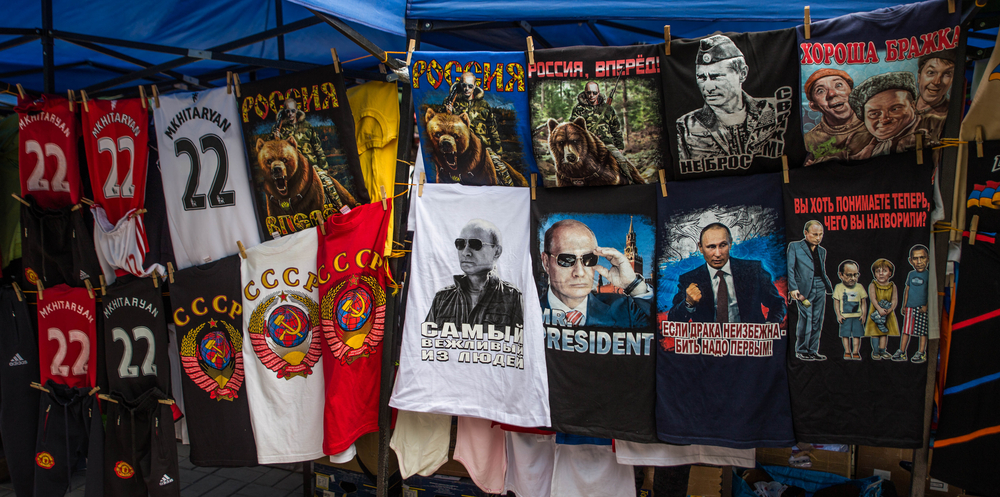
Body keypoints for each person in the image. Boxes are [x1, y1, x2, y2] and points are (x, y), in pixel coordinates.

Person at [675, 34, 779, 161]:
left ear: (742, 73)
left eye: (716, 77)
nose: (708, 87)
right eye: (701, 77)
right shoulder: (685, 126)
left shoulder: (773, 111)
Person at [667, 222, 786, 325]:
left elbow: (778, 304)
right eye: (711, 247)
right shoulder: (689, 278)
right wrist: (688, 303)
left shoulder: (754, 270)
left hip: (748, 345)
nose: (717, 253)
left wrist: (769, 327)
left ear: (730, 244)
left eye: (722, 245)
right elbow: (673, 320)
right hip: (708, 347)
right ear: (701, 247)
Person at [539, 219, 650, 328]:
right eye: (566, 260)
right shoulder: (528, 309)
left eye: (589, 259)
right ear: (546, 263)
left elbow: (659, 332)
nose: (579, 272)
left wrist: (633, 284)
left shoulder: (624, 309)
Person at [424, 219, 523, 328]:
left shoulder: (512, 297)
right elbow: (427, 340)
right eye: (460, 244)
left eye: (475, 244)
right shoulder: (442, 298)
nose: (466, 252)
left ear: (497, 251)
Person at [847, 71, 945, 159]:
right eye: (874, 114)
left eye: (895, 109)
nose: (885, 119)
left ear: (913, 106)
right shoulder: (857, 141)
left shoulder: (938, 125)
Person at [272, 97, 348, 209]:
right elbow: (273, 151)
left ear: (297, 111)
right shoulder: (278, 129)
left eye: (292, 111)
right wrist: (276, 139)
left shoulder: (307, 126)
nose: (290, 114)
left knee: (327, 182)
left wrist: (324, 166)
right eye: (287, 111)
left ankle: (341, 208)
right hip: (292, 167)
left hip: (311, 164)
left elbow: (317, 147)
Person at [445, 72, 518, 186]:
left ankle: (510, 191)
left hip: (482, 146)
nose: (466, 89)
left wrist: (498, 151)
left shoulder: (484, 105)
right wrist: (448, 112)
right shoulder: (451, 103)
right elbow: (443, 124)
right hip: (460, 145)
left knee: (501, 169)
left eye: (470, 86)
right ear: (460, 85)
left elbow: (492, 129)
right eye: (464, 85)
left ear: (475, 86)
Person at [801, 68, 873, 164]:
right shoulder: (810, 140)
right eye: (820, 91)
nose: (832, 93)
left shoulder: (876, 125)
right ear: (814, 106)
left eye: (839, 85)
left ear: (853, 92)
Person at [787, 220, 834, 361]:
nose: (818, 237)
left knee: (817, 319)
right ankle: (802, 349)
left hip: (820, 286)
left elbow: (821, 270)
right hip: (803, 290)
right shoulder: (795, 247)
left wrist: (827, 286)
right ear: (806, 233)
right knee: (807, 317)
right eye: (815, 234)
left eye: (820, 234)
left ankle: (812, 350)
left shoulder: (822, 251)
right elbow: (790, 268)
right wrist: (793, 288)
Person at [894, 245, 929, 363]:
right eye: (915, 258)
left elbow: (931, 291)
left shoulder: (928, 274)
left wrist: (927, 306)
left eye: (922, 257)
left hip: (922, 307)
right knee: (906, 330)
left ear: (928, 258)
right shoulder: (911, 274)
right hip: (910, 307)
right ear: (911, 260)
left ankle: (921, 352)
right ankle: (902, 351)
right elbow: (907, 289)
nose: (919, 262)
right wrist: (904, 305)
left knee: (923, 331)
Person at [832, 260, 867, 361]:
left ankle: (855, 351)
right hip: (845, 317)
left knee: (857, 335)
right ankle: (847, 351)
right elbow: (836, 302)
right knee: (845, 334)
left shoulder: (859, 287)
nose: (852, 278)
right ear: (841, 275)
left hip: (857, 316)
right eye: (849, 275)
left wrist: (864, 315)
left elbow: (863, 301)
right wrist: (838, 314)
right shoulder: (838, 287)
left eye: (855, 275)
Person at [864, 258, 899, 360]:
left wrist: (890, 309)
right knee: (875, 332)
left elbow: (894, 299)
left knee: (884, 333)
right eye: (878, 271)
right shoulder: (873, 285)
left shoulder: (893, 286)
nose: (881, 274)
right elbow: (873, 299)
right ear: (874, 274)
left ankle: (882, 350)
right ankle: (875, 351)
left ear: (890, 273)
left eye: (884, 271)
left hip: (887, 313)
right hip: (876, 312)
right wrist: (879, 309)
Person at [916, 50, 955, 118]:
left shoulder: (949, 115)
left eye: (947, 74)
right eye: (931, 72)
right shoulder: (905, 103)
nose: (936, 82)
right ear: (919, 77)